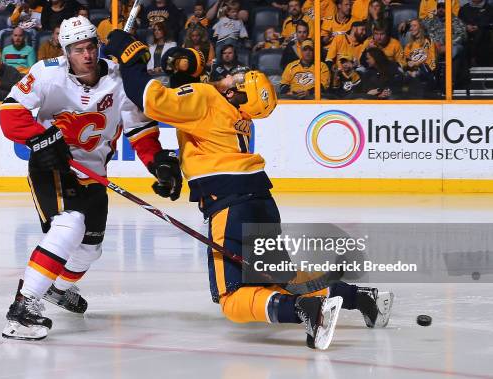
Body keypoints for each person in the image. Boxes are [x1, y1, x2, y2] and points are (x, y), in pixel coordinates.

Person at [105, 29, 394, 350]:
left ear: (238, 93)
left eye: (239, 80)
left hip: (229, 203)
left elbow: (151, 99)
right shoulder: (238, 116)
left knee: (232, 298)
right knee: (284, 279)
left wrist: (129, 56)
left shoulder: (207, 98)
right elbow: (188, 107)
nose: (232, 78)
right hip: (259, 199)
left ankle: (307, 311)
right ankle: (362, 298)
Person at [0, 16, 182, 340]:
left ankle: (59, 288)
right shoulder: (46, 73)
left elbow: (139, 129)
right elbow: (10, 114)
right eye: (78, 49)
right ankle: (22, 309)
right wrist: (43, 139)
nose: (86, 55)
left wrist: (158, 164)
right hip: (52, 167)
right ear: (66, 51)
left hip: (93, 172)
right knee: (69, 225)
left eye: (91, 47)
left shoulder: (119, 80)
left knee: (90, 248)